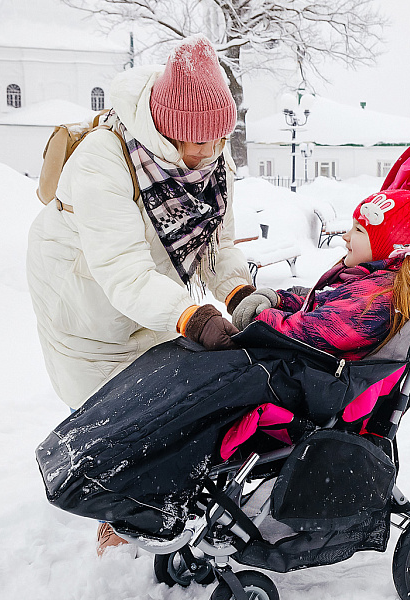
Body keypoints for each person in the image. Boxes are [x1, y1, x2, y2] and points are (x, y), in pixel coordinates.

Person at [26, 36, 255, 555]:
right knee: (110, 410)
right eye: (191, 142)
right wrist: (193, 316)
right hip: (81, 292)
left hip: (156, 283)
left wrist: (240, 294)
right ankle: (114, 520)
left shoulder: (214, 162)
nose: (204, 154)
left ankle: (151, 506)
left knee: (161, 400)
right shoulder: (104, 160)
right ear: (161, 126)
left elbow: (217, 249)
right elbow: (123, 273)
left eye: (216, 141)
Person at [232, 174, 410, 360]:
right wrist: (279, 299)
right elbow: (325, 303)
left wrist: (261, 317)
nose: (346, 236)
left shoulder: (379, 298)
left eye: (359, 231)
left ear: (391, 247)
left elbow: (309, 332)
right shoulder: (369, 280)